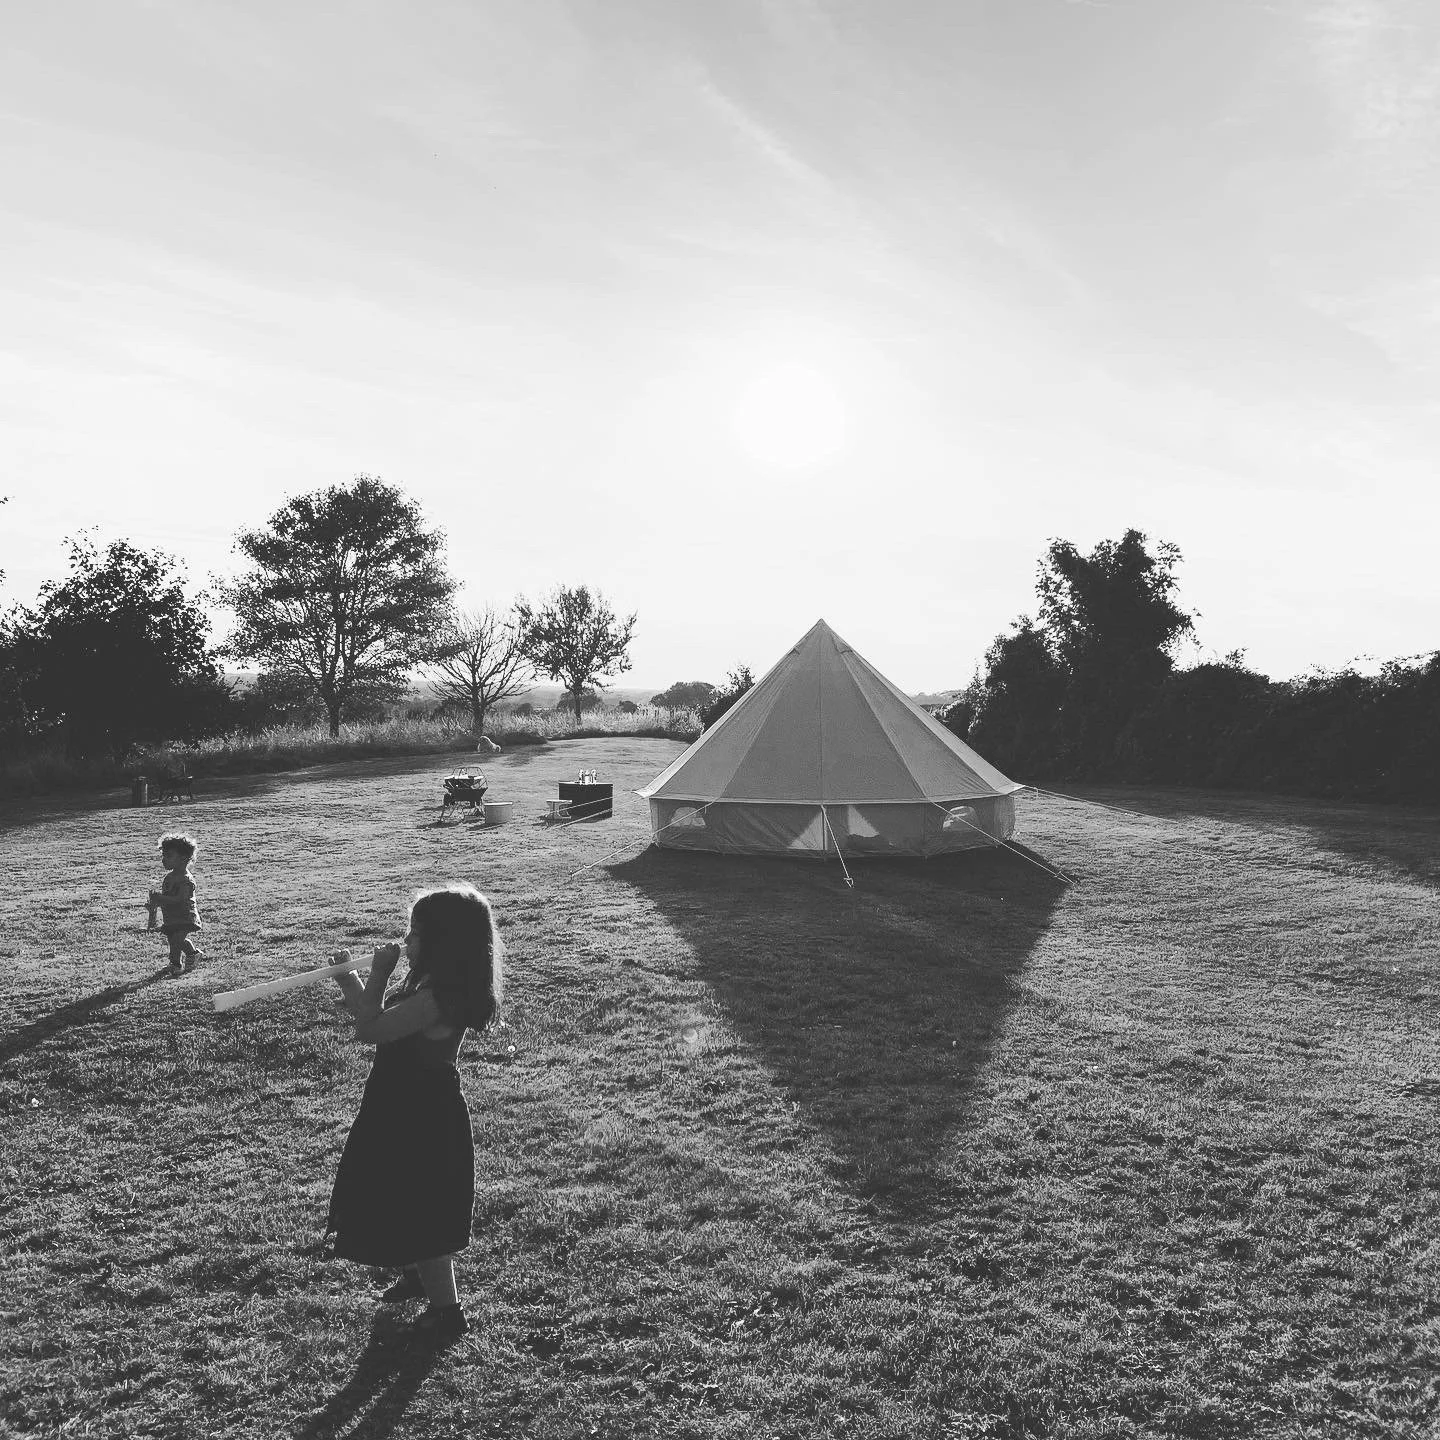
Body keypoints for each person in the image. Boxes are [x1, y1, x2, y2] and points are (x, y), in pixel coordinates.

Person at [327, 883, 503, 1345]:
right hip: (397, 1104)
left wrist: (379, 974)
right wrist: (349, 979)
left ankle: (447, 1311)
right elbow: (376, 1018)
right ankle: (414, 1276)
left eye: (415, 933)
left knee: (426, 1212)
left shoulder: (439, 999)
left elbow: (372, 1029)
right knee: (398, 1191)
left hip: (422, 1113)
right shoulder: (425, 986)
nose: (406, 942)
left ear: (443, 942)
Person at [149, 833, 203, 976]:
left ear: (183, 858)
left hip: (185, 916)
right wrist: (155, 903)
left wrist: (161, 899)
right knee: (176, 940)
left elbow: (180, 899)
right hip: (171, 917)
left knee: (176, 942)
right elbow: (167, 897)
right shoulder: (169, 878)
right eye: (163, 856)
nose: (164, 860)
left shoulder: (186, 880)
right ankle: (193, 953)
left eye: (168, 856)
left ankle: (176, 965)